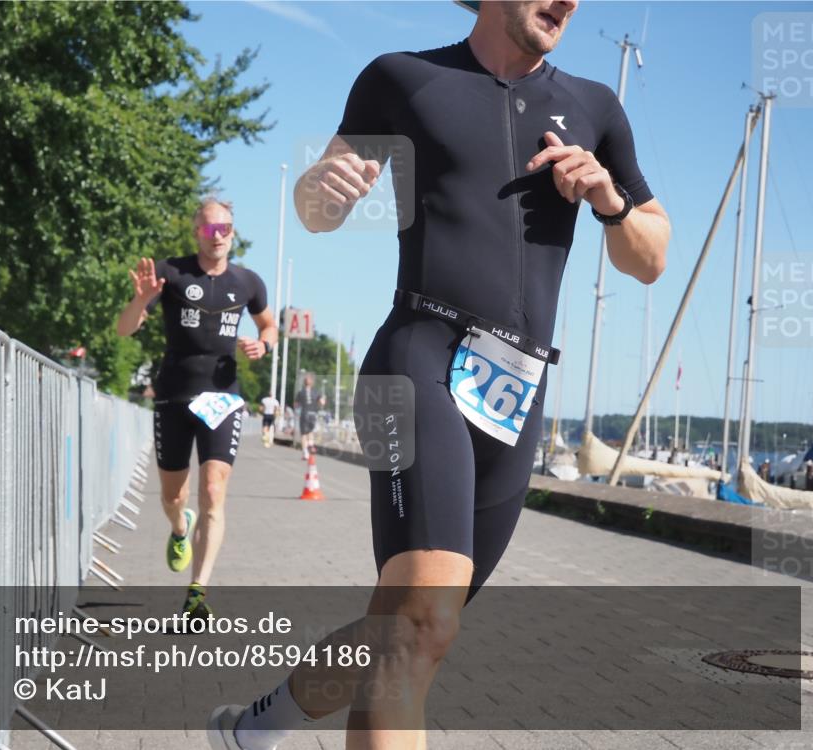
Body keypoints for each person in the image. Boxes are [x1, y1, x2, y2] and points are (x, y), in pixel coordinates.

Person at [208, 2, 669, 748]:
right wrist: (320, 191)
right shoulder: (403, 78)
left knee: (413, 628)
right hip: (417, 358)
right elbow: (314, 206)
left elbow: (651, 257)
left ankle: (260, 728)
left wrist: (610, 201)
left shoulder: (595, 106)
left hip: (517, 393)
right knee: (421, 620)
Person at [117, 196, 278, 617]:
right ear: (197, 233)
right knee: (175, 496)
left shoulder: (249, 282)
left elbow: (269, 324)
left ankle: (197, 593)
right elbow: (124, 329)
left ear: (233, 232)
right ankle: (178, 526)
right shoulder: (171, 273)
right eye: (209, 229)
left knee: (213, 491)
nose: (218, 236)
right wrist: (141, 300)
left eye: (225, 228)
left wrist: (264, 344)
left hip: (223, 398)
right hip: (174, 395)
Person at [294, 373, 322, 459]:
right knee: (310, 432)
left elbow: (296, 405)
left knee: (303, 434)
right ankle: (311, 445)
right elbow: (322, 402)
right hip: (313, 414)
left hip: (304, 413)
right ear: (312, 383)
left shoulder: (300, 392)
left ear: (304, 383)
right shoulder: (316, 392)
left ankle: (305, 453)